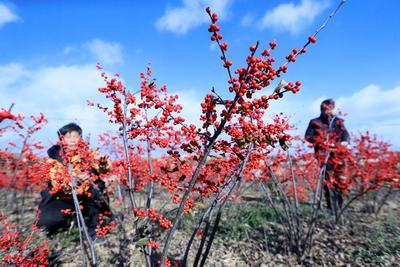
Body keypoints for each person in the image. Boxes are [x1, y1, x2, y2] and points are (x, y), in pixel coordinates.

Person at [37, 123, 112, 239]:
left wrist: (103, 163)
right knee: (47, 222)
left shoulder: (88, 154)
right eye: (68, 137)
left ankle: (95, 231)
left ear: (80, 138)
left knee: (97, 194)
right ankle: (63, 226)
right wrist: (74, 181)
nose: (72, 140)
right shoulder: (53, 160)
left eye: (75, 136)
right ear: (61, 139)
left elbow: (104, 170)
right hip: (61, 197)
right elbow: (57, 184)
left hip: (86, 197)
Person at [305, 99, 350, 211]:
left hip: (339, 155)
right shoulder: (315, 122)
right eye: (324, 108)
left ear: (332, 108)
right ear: (321, 108)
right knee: (327, 181)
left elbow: (345, 135)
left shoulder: (338, 121)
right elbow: (308, 136)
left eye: (328, 108)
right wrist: (320, 141)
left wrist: (344, 142)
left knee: (340, 180)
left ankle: (339, 206)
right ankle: (331, 207)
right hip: (323, 156)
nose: (326, 111)